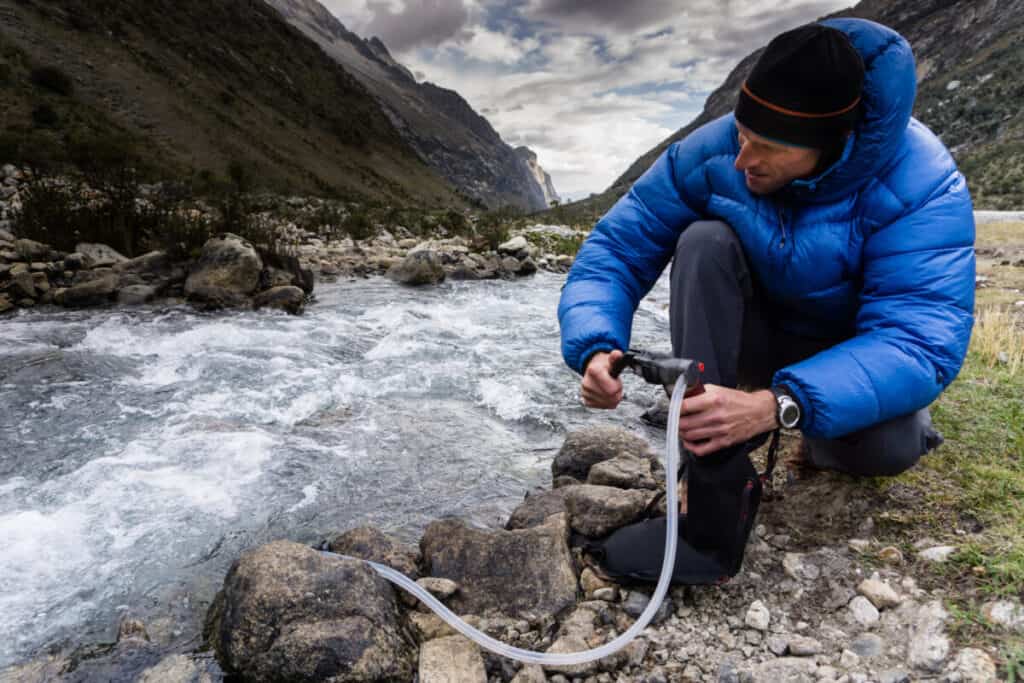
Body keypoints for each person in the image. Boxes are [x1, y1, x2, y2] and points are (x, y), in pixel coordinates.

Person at [558, 19, 975, 581]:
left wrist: (778, 405)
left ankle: (793, 425)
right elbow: (615, 249)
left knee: (889, 449)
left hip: (842, 350)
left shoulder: (921, 183)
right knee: (701, 242)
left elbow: (919, 341)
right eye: (741, 134)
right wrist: (595, 344)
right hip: (751, 337)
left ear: (833, 144)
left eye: (768, 147)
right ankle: (710, 493)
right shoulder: (717, 151)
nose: (741, 160)